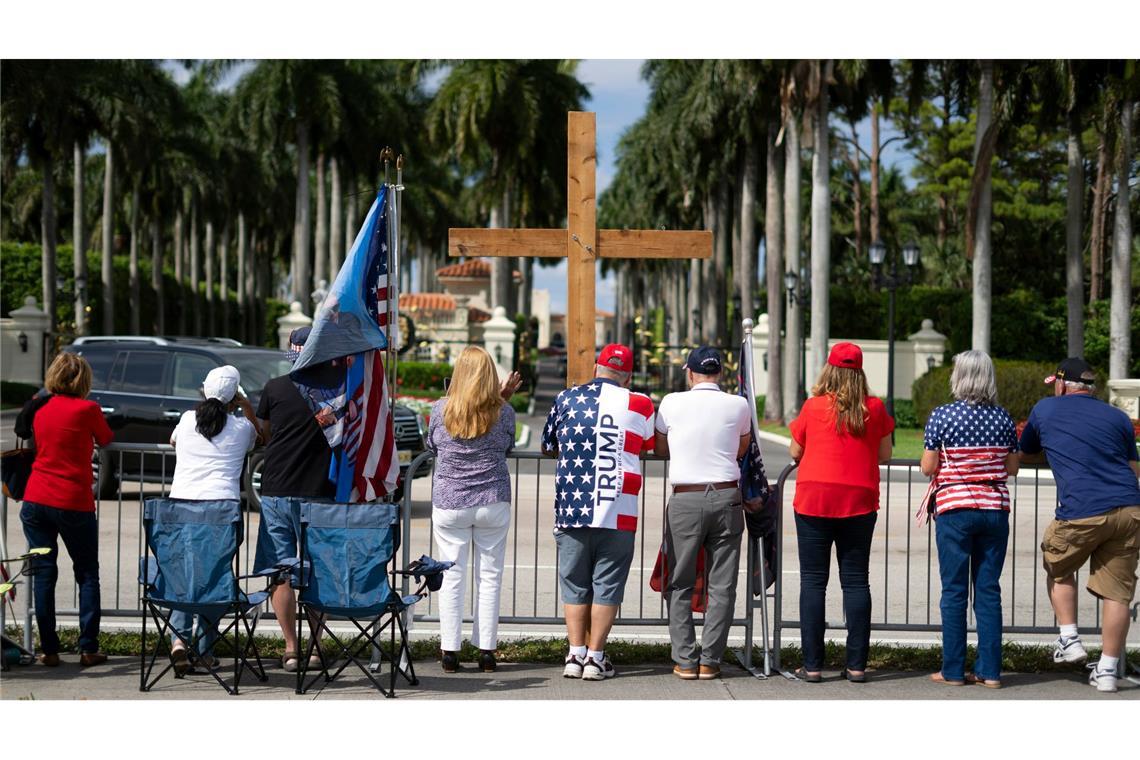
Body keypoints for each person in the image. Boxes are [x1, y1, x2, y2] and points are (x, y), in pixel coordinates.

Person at [1019, 357, 1140, 693]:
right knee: (1118, 593)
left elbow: (1026, 451)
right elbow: (1133, 468)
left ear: (1061, 384)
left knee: (1058, 563)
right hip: (1129, 508)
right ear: (1091, 388)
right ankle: (1107, 672)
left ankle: (1069, 639)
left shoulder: (1046, 409)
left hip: (1082, 507)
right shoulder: (1118, 417)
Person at [541, 344, 655, 681]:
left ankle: (574, 655)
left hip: (572, 508)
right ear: (628, 375)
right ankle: (596, 657)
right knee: (608, 585)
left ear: (595, 368)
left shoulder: (566, 399)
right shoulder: (641, 403)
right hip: (619, 508)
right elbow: (649, 446)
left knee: (574, 583)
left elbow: (549, 445)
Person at [787, 342, 893, 683]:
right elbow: (886, 454)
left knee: (814, 582)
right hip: (859, 499)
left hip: (815, 497)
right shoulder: (874, 408)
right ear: (860, 371)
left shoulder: (814, 405)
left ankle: (813, 665)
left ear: (828, 370)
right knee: (856, 582)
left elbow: (795, 450)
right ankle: (857, 665)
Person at [921, 351, 1019, 689]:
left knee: (954, 590)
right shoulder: (1003, 419)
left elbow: (928, 466)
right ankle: (990, 672)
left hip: (955, 510)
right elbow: (1012, 467)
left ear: (959, 376)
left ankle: (952, 670)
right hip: (994, 509)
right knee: (988, 590)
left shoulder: (942, 416)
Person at [654, 347, 752, 680]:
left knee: (680, 581)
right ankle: (711, 659)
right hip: (726, 494)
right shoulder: (738, 404)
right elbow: (742, 447)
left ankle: (685, 658)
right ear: (719, 374)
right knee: (722, 585)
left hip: (686, 496)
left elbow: (660, 447)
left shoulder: (671, 402)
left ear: (691, 373)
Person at [426, 347, 521, 673]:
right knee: (489, 576)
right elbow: (507, 445)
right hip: (492, 498)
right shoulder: (504, 413)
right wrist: (503, 399)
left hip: (451, 500)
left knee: (452, 576)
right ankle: (486, 651)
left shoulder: (440, 410)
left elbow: (432, 445)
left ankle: (450, 650)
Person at [16, 352, 114, 667]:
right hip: (72, 501)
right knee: (86, 573)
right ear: (83, 380)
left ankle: (50, 650)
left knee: (44, 574)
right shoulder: (88, 409)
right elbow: (107, 438)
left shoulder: (40, 407)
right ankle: (88, 648)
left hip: (35, 498)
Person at [166, 365, 261, 674]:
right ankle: (205, 649)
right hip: (222, 511)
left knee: (182, 574)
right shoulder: (241, 426)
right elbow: (257, 437)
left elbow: (173, 442)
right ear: (235, 396)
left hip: (181, 507)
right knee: (214, 578)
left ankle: (179, 640)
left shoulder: (186, 419)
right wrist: (245, 405)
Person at [253, 326, 338, 672]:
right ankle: (316, 647)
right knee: (318, 572)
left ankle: (290, 648)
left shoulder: (275, 388)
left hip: (276, 490)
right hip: (319, 492)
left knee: (281, 572)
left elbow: (265, 433)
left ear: (292, 350)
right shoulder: (333, 391)